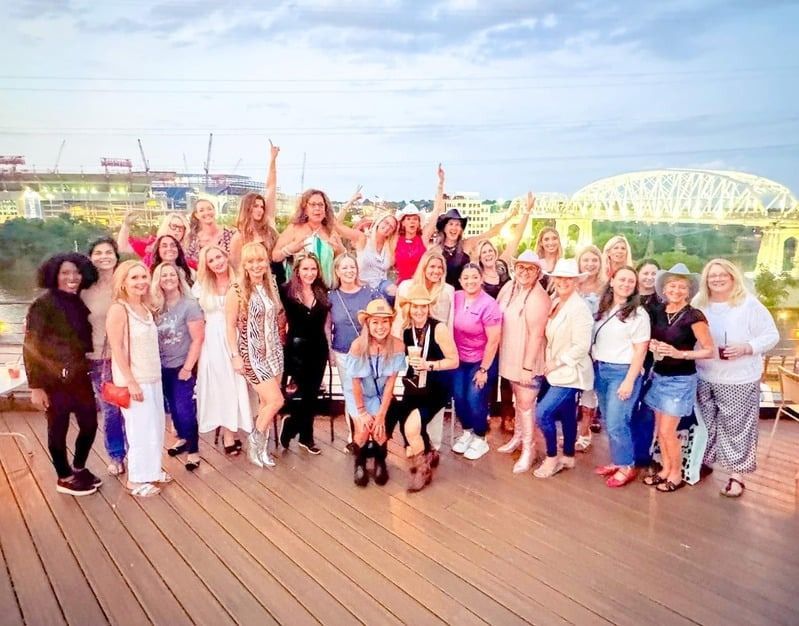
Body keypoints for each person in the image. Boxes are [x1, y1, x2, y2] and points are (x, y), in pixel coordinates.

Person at [693, 258, 779, 498]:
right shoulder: (699, 303)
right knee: (705, 424)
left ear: (733, 278)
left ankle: (736, 476)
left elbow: (771, 335)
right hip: (704, 374)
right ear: (706, 280)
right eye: (712, 275)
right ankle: (703, 462)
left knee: (738, 427)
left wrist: (747, 347)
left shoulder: (748, 304)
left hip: (738, 378)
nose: (717, 279)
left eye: (723, 275)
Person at [24, 253, 100, 496]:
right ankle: (64, 477)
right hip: (52, 377)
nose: (72, 277)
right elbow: (31, 345)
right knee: (58, 427)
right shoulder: (43, 304)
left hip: (78, 374)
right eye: (65, 273)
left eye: (76, 272)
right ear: (53, 275)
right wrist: (36, 387)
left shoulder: (76, 301)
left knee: (90, 423)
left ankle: (78, 467)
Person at [644, 263, 714, 493]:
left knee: (668, 431)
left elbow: (709, 350)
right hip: (659, 376)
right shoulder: (659, 312)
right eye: (672, 286)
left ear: (688, 291)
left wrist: (679, 353)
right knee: (660, 430)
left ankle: (676, 474)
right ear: (664, 289)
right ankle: (665, 469)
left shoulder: (694, 316)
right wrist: (653, 345)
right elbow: (655, 339)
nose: (676, 290)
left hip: (680, 380)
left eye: (682, 287)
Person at [107, 261, 171, 497]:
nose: (141, 282)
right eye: (134, 278)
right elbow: (116, 347)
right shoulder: (119, 309)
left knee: (155, 426)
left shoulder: (145, 306)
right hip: (134, 379)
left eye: (144, 277)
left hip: (152, 376)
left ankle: (152, 470)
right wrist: (130, 380)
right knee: (139, 429)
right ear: (123, 282)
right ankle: (135, 479)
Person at [226, 242, 285, 468]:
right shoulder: (237, 290)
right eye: (250, 261)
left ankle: (261, 450)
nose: (256, 265)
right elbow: (229, 326)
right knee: (276, 400)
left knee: (265, 404)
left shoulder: (271, 285)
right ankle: (254, 441)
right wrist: (235, 355)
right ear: (244, 264)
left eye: (260, 260)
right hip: (252, 354)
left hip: (274, 352)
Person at [534, 259, 594, 478]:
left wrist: (557, 362)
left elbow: (582, 346)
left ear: (576, 282)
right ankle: (568, 456)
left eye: (569, 278)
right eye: (559, 277)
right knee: (568, 413)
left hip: (571, 372)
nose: (563, 282)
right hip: (555, 371)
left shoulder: (580, 309)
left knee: (542, 413)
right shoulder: (556, 301)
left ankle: (552, 457)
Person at [396, 284, 460, 491]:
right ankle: (430, 452)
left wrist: (429, 365)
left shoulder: (438, 328)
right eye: (415, 306)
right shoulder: (407, 331)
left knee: (412, 427)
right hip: (414, 384)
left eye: (423, 306)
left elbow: (454, 361)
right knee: (405, 426)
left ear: (428, 307)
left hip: (436, 386)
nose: (419, 311)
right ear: (409, 308)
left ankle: (423, 470)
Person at [592, 267, 650, 488]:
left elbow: (641, 350)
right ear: (612, 281)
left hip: (623, 371)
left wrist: (629, 380)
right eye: (622, 279)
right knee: (609, 419)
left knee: (618, 422)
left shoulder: (639, 314)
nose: (626, 284)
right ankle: (618, 460)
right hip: (601, 369)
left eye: (631, 281)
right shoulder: (603, 308)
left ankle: (627, 464)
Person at [193, 244, 254, 454]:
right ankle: (228, 432)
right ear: (207, 265)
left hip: (235, 335)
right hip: (212, 338)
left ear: (226, 257)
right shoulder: (202, 285)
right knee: (221, 384)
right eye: (211, 260)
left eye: (219, 257)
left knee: (237, 383)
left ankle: (237, 428)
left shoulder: (240, 281)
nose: (217, 262)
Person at [393, 248, 455, 451]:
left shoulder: (447, 291)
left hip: (437, 357)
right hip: (415, 362)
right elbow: (398, 321)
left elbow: (450, 323)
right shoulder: (407, 287)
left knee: (428, 416)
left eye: (440, 267)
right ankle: (417, 446)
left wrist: (434, 362)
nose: (436, 270)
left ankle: (432, 449)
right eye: (432, 266)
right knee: (407, 417)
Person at [495, 251, 550, 473]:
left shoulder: (538, 297)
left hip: (527, 357)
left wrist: (527, 367)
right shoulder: (510, 288)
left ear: (538, 272)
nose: (525, 272)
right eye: (521, 267)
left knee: (527, 404)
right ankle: (518, 437)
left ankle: (530, 448)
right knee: (518, 400)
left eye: (530, 268)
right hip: (510, 354)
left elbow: (537, 335)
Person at [343, 299, 406, 487]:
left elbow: (390, 384)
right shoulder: (358, 346)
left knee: (379, 430)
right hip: (359, 395)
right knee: (363, 431)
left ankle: (380, 462)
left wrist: (381, 415)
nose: (380, 327)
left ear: (390, 323)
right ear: (368, 324)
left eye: (385, 321)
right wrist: (362, 412)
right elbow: (355, 383)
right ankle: (359, 462)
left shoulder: (398, 346)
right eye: (375, 322)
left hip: (380, 395)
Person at [151, 262, 205, 471]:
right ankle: (182, 438)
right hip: (160, 366)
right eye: (163, 275)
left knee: (184, 409)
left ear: (179, 278)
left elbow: (198, 339)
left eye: (172, 275)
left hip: (181, 365)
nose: (168, 279)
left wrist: (187, 368)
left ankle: (193, 450)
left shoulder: (189, 305)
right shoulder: (155, 307)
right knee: (172, 407)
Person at [81, 237, 127, 476]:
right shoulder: (84, 289)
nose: (104, 257)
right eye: (98, 253)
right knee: (111, 409)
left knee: (133, 406)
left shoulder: (126, 283)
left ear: (116, 256)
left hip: (129, 357)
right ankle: (117, 454)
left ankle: (138, 451)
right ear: (90, 257)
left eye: (108, 252)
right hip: (99, 358)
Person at [278, 253, 331, 455]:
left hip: (318, 347)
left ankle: (301, 433)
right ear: (297, 271)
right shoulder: (286, 290)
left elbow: (326, 324)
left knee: (312, 393)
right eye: (305, 269)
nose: (310, 273)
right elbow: (279, 317)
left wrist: (330, 349)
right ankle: (296, 429)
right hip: (296, 348)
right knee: (303, 392)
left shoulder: (322, 291)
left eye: (313, 269)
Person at [450, 263, 503, 461]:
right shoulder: (455, 297)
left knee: (474, 398)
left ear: (481, 279)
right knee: (458, 396)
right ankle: (467, 431)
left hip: (481, 360)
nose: (470, 281)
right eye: (466, 278)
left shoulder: (489, 305)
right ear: (460, 281)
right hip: (459, 358)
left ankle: (481, 437)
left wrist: (484, 369)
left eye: (474, 277)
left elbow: (494, 340)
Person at [326, 253, 378, 449]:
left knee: (370, 391)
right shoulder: (331, 296)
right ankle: (356, 435)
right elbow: (327, 326)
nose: (349, 271)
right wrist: (329, 349)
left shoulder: (369, 292)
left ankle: (371, 435)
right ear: (337, 271)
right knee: (350, 392)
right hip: (343, 352)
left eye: (352, 267)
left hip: (368, 351)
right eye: (344, 268)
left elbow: (381, 319)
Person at [229, 141, 284, 283]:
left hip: (278, 278)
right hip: (256, 282)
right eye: (255, 206)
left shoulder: (268, 224)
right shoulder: (239, 237)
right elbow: (236, 268)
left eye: (262, 206)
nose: (260, 210)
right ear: (247, 208)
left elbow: (271, 187)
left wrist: (273, 160)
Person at [272, 188, 345, 287]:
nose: (317, 208)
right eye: (313, 204)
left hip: (326, 289)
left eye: (321, 205)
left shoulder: (331, 231)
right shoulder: (294, 229)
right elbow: (275, 256)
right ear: (305, 209)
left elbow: (342, 259)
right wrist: (289, 250)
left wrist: (339, 250)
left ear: (325, 209)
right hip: (299, 290)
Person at [630, 258, 661, 468]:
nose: (649, 277)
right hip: (627, 358)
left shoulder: (662, 302)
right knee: (628, 406)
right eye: (646, 273)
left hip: (651, 360)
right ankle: (626, 451)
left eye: (654, 274)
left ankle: (642, 452)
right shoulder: (628, 299)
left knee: (646, 406)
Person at [575, 244, 605, 446]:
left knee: (589, 391)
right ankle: (571, 432)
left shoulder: (606, 287)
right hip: (574, 344)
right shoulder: (572, 284)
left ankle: (584, 433)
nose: (590, 264)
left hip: (596, 345)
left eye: (594, 260)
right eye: (586, 260)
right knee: (570, 390)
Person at [335, 211, 399, 302]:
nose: (388, 227)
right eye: (386, 222)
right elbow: (337, 226)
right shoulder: (363, 238)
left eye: (391, 227)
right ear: (379, 222)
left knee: (394, 292)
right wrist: (349, 204)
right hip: (362, 285)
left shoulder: (390, 247)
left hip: (381, 286)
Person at [117, 211, 192, 269]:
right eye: (174, 226)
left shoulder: (189, 253)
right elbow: (123, 247)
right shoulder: (151, 245)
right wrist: (126, 226)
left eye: (181, 228)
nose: (177, 231)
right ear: (166, 226)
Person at [185, 198, 236, 267]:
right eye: (201, 210)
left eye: (209, 209)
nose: (207, 213)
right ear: (196, 215)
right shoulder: (192, 240)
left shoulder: (230, 235)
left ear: (214, 211)